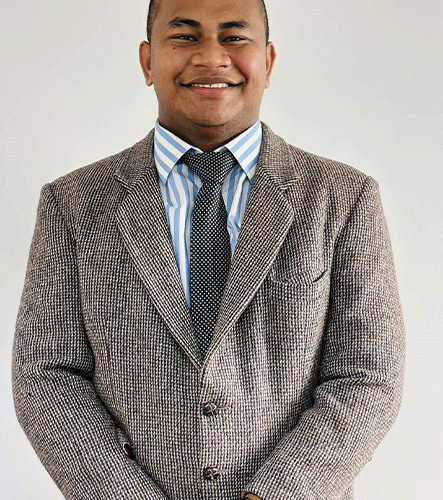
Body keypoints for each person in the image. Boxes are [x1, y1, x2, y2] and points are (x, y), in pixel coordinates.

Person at [12, 0, 405, 498]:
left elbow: (369, 375)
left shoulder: (344, 198)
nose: (212, 58)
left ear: (268, 62)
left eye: (234, 37)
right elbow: (46, 374)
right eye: (185, 36)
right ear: (147, 61)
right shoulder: (73, 203)